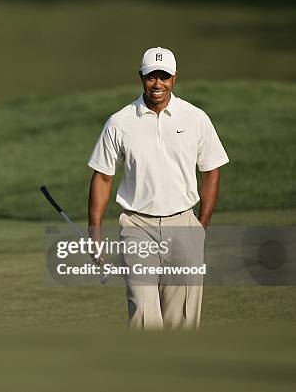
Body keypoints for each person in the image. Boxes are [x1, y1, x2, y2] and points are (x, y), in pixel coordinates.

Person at [87, 47, 229, 330]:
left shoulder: (196, 118)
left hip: (183, 223)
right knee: (143, 314)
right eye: (152, 76)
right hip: (137, 225)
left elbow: (212, 170)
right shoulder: (119, 122)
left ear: (174, 78)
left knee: (183, 319)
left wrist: (201, 225)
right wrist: (95, 231)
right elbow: (102, 177)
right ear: (141, 77)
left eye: (164, 77)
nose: (157, 84)